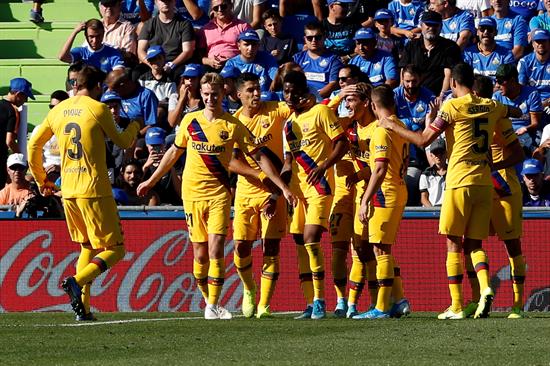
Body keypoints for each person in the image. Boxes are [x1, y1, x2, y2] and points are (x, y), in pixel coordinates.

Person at [137, 72, 296, 319]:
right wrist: (151, 180)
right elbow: (172, 154)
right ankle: (208, 301)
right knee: (199, 254)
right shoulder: (190, 121)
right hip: (192, 194)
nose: (211, 98)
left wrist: (282, 186)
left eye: (215, 94)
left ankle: (213, 305)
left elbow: (259, 157)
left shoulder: (232, 125)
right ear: (201, 95)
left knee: (216, 248)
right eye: (207, 94)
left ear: (223, 94)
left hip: (220, 193)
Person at [377, 63, 523, 319]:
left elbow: (423, 141)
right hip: (483, 182)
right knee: (475, 244)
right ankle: (484, 289)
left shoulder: (452, 106)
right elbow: (516, 109)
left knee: (453, 243)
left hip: (458, 182)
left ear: (454, 83)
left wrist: (392, 126)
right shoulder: (491, 105)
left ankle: (456, 306)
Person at [27, 65, 141, 321]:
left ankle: (84, 310)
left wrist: (41, 178)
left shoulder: (58, 110)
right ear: (97, 86)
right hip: (94, 190)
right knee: (116, 249)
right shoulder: (97, 108)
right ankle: (77, 281)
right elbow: (123, 142)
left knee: (88, 247)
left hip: (68, 192)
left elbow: (34, 144)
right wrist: (135, 125)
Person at [282, 70, 349, 319]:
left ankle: (321, 300)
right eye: (285, 91)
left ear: (303, 91)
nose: (288, 96)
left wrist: (323, 166)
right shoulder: (289, 124)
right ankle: (310, 302)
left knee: (311, 238)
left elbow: (342, 143)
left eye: (292, 91)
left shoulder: (321, 112)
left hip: (320, 187)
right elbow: (289, 160)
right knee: (300, 242)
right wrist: (282, 188)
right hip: (298, 192)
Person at [228, 72, 292, 318]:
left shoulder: (275, 110)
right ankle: (248, 288)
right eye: (251, 90)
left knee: (271, 246)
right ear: (239, 95)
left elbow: (302, 106)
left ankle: (264, 305)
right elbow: (232, 162)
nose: (256, 94)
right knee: (242, 246)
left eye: (258, 89)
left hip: (274, 191)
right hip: (247, 191)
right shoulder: (233, 122)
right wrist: (261, 177)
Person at [468, 73, 527, 319]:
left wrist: (493, 166)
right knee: (474, 243)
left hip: (501, 184)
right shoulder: (476, 116)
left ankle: (516, 305)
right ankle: (480, 298)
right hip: (483, 185)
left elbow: (518, 154)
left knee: (509, 245)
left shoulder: (496, 117)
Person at [353, 85, 410, 319]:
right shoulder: (401, 125)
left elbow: (379, 168)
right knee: (384, 247)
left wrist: (365, 200)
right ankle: (399, 300)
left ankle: (381, 307)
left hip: (384, 193)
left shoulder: (381, 130)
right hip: (398, 189)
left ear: (374, 106)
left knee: (380, 249)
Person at [332, 82, 379, 318]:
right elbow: (322, 117)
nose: (347, 105)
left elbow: (379, 167)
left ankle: (371, 302)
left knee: (364, 249)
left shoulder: (378, 128)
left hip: (366, 195)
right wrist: (338, 97)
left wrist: (359, 174)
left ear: (366, 103)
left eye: (352, 100)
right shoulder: (346, 126)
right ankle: (343, 302)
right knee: (340, 250)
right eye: (346, 101)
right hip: (343, 196)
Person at [394, 64, 436, 205]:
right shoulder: (394, 96)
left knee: (412, 180)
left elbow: (433, 126)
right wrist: (411, 127)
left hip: (422, 149)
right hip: (400, 148)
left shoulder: (429, 97)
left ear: (421, 79)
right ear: (402, 79)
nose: (410, 85)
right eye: (407, 81)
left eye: (414, 81)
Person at [399, 10, 462, 97]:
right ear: (421, 25)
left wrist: (441, 97)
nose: (431, 28)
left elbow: (448, 74)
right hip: (413, 95)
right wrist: (402, 95)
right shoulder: (411, 45)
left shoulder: (450, 47)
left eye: (435, 25)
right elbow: (403, 71)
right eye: (428, 24)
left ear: (441, 27)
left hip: (437, 96)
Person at [137, 0, 195, 77]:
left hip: (175, 63)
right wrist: (153, 66)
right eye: (162, 0)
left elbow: (187, 51)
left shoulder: (185, 24)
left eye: (169, 0)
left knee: (179, 74)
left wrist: (172, 64)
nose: (165, 2)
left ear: (174, 2)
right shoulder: (148, 24)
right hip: (153, 62)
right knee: (136, 72)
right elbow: (141, 50)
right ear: (156, 2)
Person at [493, 64, 542, 155]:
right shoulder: (496, 97)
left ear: (512, 81)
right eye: (496, 81)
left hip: (526, 133)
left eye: (500, 81)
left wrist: (525, 129)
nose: (497, 85)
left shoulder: (532, 94)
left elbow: (535, 123)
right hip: (505, 134)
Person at [292, 22, 344, 99]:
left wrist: (314, 97)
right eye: (309, 38)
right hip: (300, 98)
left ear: (324, 37)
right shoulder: (297, 58)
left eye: (318, 37)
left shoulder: (334, 59)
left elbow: (333, 84)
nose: (314, 40)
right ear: (305, 39)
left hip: (323, 101)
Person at [197, 0, 252, 71]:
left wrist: (232, 60)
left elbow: (251, 48)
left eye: (223, 6)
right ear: (212, 10)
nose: (220, 10)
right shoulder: (205, 29)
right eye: (216, 8)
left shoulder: (243, 26)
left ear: (231, 6)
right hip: (211, 67)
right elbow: (198, 54)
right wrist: (209, 61)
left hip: (237, 66)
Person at [58, 19, 126, 74]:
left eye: (98, 36)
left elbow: (119, 73)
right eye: (91, 37)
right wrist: (75, 32)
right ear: (86, 36)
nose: (95, 40)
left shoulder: (112, 52)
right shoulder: (81, 52)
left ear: (103, 34)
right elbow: (62, 57)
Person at [1, 77, 34, 188]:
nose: (25, 101)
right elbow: (9, 141)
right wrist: (21, 157)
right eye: (25, 97)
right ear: (18, 94)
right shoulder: (12, 110)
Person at [463, 17, 515, 81]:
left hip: (497, 90)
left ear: (496, 32)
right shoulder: (468, 53)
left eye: (490, 29)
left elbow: (506, 82)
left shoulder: (506, 54)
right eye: (482, 29)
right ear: (477, 32)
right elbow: (465, 80)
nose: (486, 32)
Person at [518, 28, 550, 113]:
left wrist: (546, 103)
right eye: (538, 41)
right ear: (532, 44)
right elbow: (520, 87)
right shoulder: (524, 62)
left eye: (544, 41)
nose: (541, 44)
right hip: (531, 102)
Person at [419, 138, 447, 207]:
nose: (438, 156)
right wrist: (433, 211)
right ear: (431, 155)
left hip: (448, 209)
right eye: (436, 153)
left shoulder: (453, 172)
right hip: (432, 209)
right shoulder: (425, 175)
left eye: (441, 152)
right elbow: (424, 198)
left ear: (446, 154)